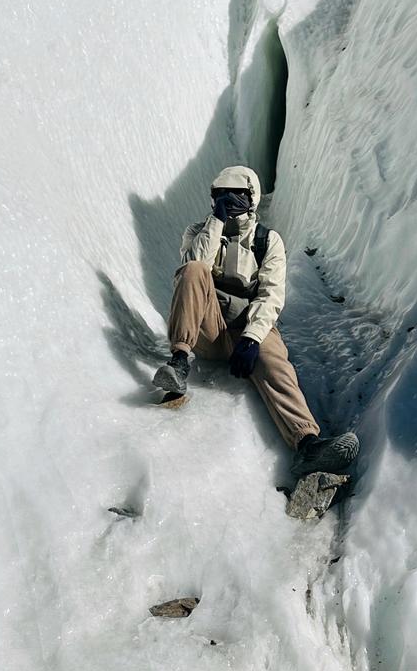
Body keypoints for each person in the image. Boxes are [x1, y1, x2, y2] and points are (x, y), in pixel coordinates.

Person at [153, 164, 360, 477]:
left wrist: (251, 339)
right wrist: (217, 224)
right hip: (207, 330)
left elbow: (270, 296)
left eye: (234, 195)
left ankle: (307, 443)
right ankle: (179, 361)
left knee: (276, 362)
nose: (227, 201)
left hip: (247, 329)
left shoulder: (268, 241)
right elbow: (193, 268)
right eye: (219, 196)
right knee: (194, 269)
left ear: (251, 197)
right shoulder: (197, 232)